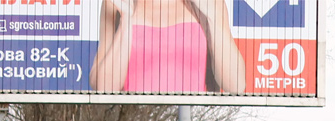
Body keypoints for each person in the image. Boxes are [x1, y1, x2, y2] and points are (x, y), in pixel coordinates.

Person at [90, 0, 247, 94]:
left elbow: (236, 85)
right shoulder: (116, 3)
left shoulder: (211, 3)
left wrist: (213, 16)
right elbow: (104, 88)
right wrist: (126, 22)